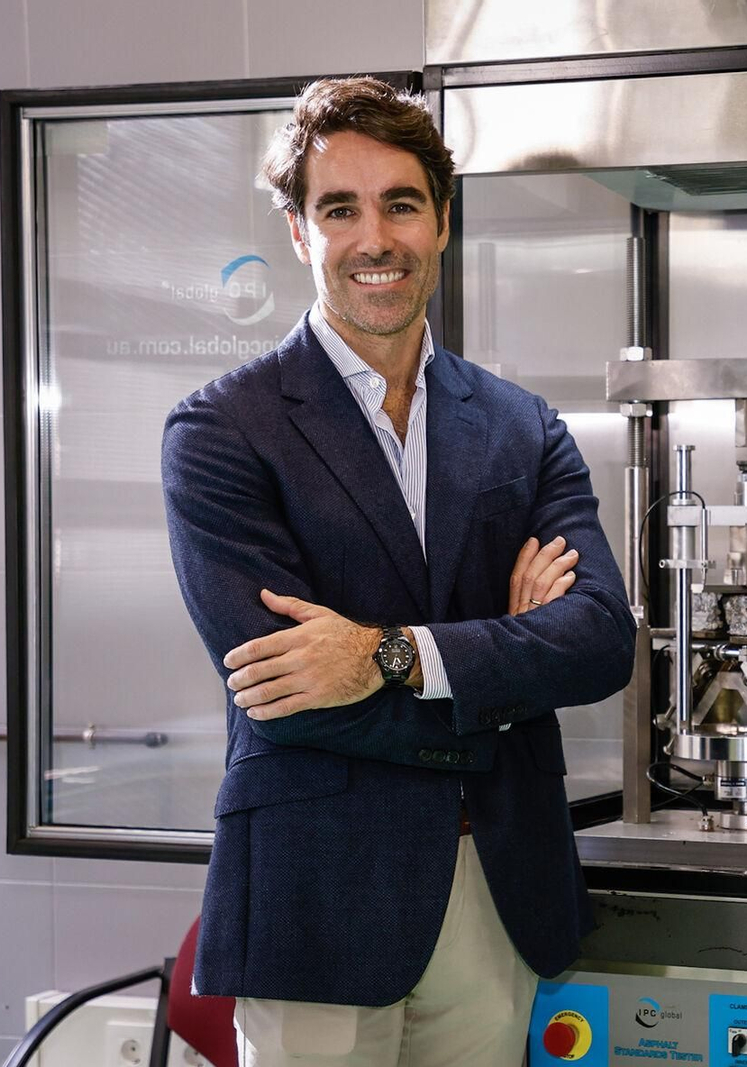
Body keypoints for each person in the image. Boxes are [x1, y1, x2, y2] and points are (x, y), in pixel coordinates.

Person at [160, 76, 635, 1065]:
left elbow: (596, 641)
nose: (375, 238)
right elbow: (286, 688)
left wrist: (387, 653)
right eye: (341, 208)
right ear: (299, 231)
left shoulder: (520, 425)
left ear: (443, 221)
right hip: (317, 896)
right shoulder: (221, 430)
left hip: (497, 884)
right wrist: (504, 678)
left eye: (402, 204)